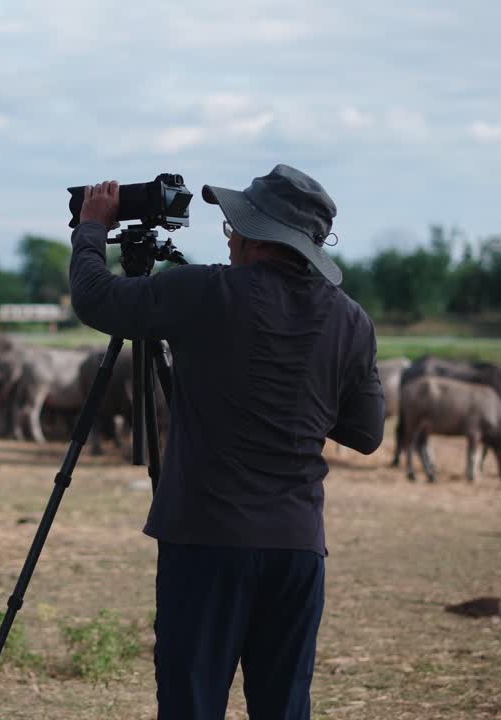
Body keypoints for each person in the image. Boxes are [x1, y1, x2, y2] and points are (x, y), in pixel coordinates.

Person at [69, 164, 385, 719]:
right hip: (297, 548)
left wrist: (92, 227)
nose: (231, 237)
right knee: (284, 708)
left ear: (256, 235)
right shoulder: (352, 320)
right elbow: (365, 432)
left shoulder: (205, 290)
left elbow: (97, 299)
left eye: (236, 227)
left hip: (206, 542)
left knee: (192, 705)